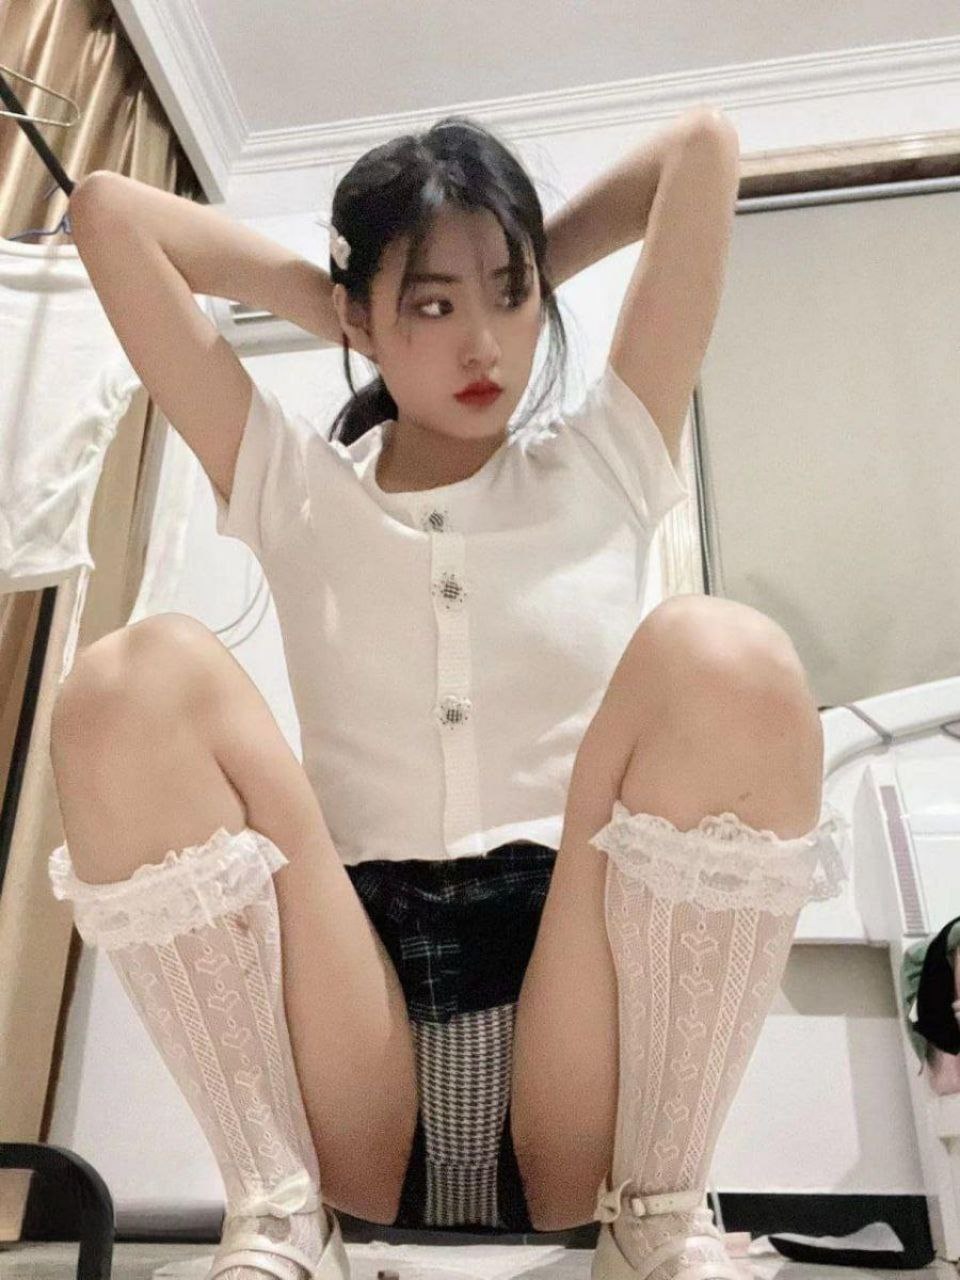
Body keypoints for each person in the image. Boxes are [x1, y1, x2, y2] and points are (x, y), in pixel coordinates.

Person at [46, 115, 848, 1280]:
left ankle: (659, 1213)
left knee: (723, 650)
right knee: (135, 674)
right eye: (433, 306)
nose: (484, 342)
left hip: (582, 976)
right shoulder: (294, 484)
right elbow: (110, 215)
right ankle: (277, 1210)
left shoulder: (606, 459)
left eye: (510, 298)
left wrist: (488, 261)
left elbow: (703, 153)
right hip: (351, 999)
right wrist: (349, 303)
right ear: (362, 320)